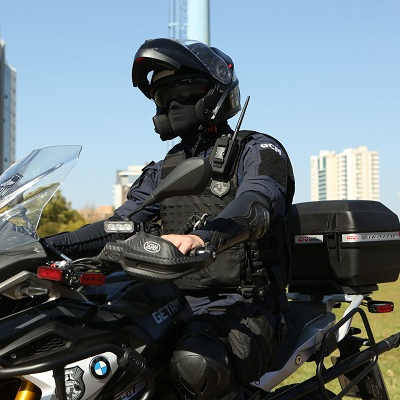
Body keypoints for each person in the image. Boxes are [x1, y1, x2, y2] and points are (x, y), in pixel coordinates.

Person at [41, 38, 295, 400]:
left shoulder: (257, 149)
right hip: (170, 300)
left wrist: (204, 236)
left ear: (215, 93)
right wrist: (45, 245)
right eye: (163, 95)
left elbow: (259, 201)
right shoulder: (164, 170)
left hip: (245, 304)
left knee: (195, 364)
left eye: (182, 89)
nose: (173, 104)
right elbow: (121, 225)